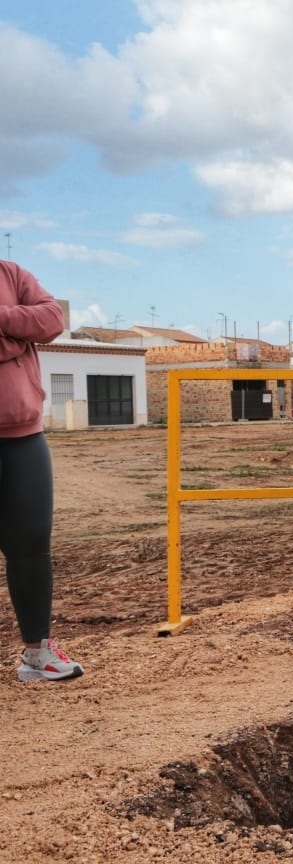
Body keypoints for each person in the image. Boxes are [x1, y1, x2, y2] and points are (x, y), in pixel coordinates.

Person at [1, 261, 84, 682]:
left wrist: (3, 318)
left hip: (23, 436)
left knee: (32, 544)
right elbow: (31, 331)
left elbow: (52, 320)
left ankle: (38, 652)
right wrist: (18, 335)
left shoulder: (10, 273)